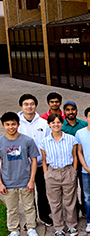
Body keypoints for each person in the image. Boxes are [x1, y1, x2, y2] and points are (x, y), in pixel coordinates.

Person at [0, 112, 40, 236]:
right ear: (3, 125)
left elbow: (34, 161)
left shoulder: (27, 140)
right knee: (11, 209)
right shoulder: (0, 142)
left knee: (29, 207)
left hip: (25, 180)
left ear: (18, 124)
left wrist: (31, 180)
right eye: (7, 124)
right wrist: (0, 183)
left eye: (13, 124)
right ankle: (14, 231)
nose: (11, 127)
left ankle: (31, 228)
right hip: (8, 182)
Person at [40, 114, 79, 236]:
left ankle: (71, 225)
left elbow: (75, 156)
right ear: (49, 125)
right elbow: (44, 159)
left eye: (58, 122)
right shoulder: (44, 141)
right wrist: (46, 174)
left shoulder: (70, 139)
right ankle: (58, 227)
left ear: (62, 124)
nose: (55, 125)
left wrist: (74, 170)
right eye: (53, 123)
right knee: (55, 202)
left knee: (70, 200)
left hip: (68, 170)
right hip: (52, 172)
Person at [18, 94, 52, 226]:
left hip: (40, 164)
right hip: (24, 166)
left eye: (32, 104)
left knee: (43, 192)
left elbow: (48, 143)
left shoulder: (43, 123)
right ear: (21, 106)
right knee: (28, 194)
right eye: (26, 104)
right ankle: (31, 219)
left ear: (36, 106)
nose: (29, 107)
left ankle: (44, 215)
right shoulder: (18, 123)